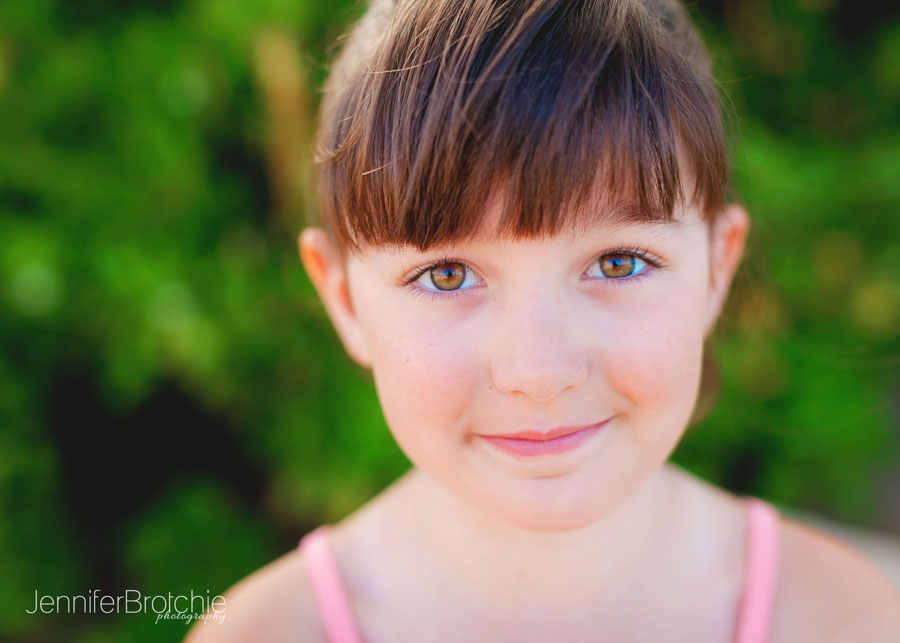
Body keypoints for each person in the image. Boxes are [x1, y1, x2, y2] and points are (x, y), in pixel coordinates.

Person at [186, 0, 900, 640]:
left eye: (619, 262)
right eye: (446, 274)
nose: (539, 372)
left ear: (718, 267)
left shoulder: (842, 621)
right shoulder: (267, 631)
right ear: (344, 300)